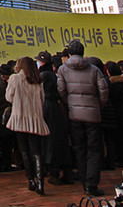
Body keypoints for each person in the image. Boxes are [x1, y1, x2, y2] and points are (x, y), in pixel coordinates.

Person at [57, 39, 109, 197]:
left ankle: (85, 182)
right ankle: (92, 183)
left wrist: (71, 104)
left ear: (69, 53)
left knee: (79, 148)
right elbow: (103, 91)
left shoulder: (62, 70)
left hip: (75, 114)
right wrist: (98, 105)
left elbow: (62, 91)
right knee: (94, 149)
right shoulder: (94, 69)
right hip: (93, 114)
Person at [5, 56, 50, 196]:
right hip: (35, 118)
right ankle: (41, 182)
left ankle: (31, 180)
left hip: (20, 117)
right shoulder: (37, 80)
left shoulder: (15, 78)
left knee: (24, 150)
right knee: (37, 151)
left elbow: (8, 97)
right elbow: (42, 99)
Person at [38, 51, 73, 185]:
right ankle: (67, 171)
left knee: (50, 140)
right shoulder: (55, 75)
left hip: (47, 108)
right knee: (60, 139)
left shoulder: (43, 76)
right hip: (57, 108)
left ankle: (54, 173)